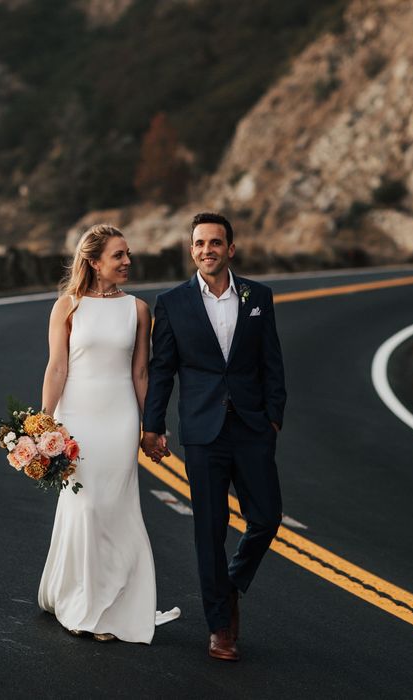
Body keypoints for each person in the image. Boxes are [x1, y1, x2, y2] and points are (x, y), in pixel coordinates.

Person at [141, 212, 286, 661]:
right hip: (202, 432)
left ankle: (231, 583)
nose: (208, 250)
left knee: (266, 517)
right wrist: (153, 425)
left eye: (216, 242)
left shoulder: (257, 296)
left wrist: (273, 419)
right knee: (210, 530)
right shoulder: (172, 303)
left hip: (251, 428)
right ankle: (220, 628)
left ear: (231, 249)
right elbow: (162, 368)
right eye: (200, 243)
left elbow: (272, 363)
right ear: (191, 251)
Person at [38, 224, 174, 643]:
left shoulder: (138, 309)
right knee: (87, 507)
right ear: (94, 262)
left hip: (119, 419)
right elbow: (57, 367)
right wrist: (41, 425)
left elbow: (140, 372)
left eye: (128, 254)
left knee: (115, 508)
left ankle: (113, 604)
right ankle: (81, 601)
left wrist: (151, 425)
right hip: (76, 417)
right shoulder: (68, 305)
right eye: (118, 255)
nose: (127, 261)